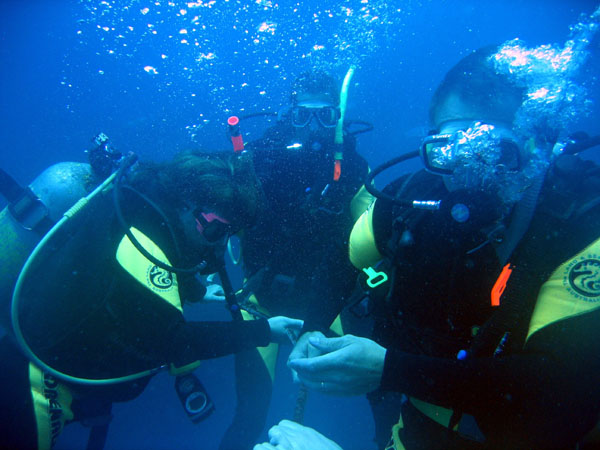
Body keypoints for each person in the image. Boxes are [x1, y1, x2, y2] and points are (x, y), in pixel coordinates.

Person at [286, 44, 600, 449]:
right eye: (452, 149)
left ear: (534, 146)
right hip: (419, 423)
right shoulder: (409, 202)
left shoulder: (583, 224)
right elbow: (343, 259)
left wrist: (390, 370)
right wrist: (312, 328)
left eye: (494, 152)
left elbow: (560, 389)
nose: (471, 175)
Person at [0, 146, 302, 449]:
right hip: (34, 385)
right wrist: (265, 331)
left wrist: (198, 292)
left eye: (228, 233)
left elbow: (133, 282)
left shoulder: (142, 208)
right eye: (213, 231)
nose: (220, 245)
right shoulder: (142, 235)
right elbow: (173, 341)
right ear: (185, 204)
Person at [219, 69, 372, 449]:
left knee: (381, 387)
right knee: (249, 415)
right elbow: (222, 214)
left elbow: (373, 224)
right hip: (262, 303)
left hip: (328, 304)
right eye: (304, 115)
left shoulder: (353, 168)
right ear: (290, 113)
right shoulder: (258, 159)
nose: (314, 128)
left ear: (338, 115)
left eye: (325, 116)